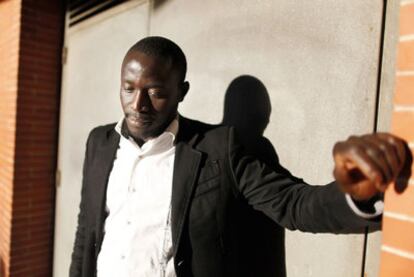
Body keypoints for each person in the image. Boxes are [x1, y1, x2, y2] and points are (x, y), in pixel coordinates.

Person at [69, 36, 410, 277]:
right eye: (129, 89)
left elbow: (294, 204)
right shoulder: (99, 142)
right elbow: (87, 233)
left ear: (181, 92)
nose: (138, 104)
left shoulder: (221, 149)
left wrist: (355, 194)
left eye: (156, 92)